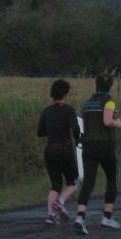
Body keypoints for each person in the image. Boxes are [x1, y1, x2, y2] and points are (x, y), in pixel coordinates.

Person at [74, 72, 121, 235]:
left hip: (88, 145)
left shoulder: (88, 103)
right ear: (110, 86)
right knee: (111, 178)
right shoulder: (109, 102)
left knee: (88, 181)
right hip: (105, 145)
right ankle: (107, 216)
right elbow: (107, 121)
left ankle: (80, 216)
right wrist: (117, 122)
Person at [37, 79, 81, 225]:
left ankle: (51, 215)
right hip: (65, 151)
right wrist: (78, 139)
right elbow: (76, 128)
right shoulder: (69, 110)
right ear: (66, 93)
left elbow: (40, 132)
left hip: (50, 151)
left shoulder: (47, 111)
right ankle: (60, 202)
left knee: (55, 184)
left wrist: (52, 131)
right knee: (74, 181)